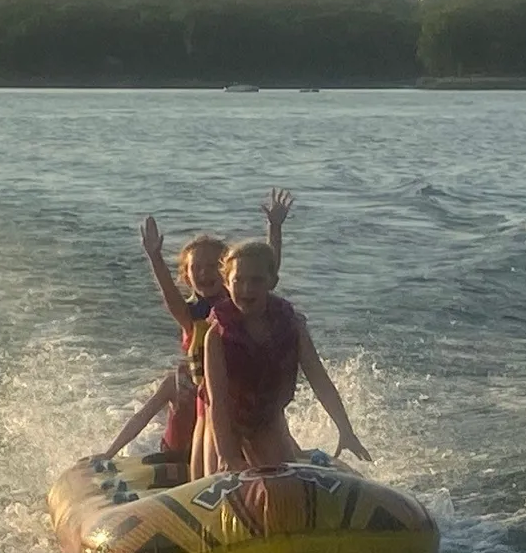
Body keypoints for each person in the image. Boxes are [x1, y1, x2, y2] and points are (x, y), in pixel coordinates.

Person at [138, 190, 293, 475]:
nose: (204, 273)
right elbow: (172, 298)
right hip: (208, 404)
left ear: (225, 271)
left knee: (272, 448)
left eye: (212, 266)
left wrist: (275, 229)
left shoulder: (239, 305)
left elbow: (267, 272)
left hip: (249, 397)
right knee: (201, 467)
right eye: (196, 267)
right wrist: (156, 258)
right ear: (186, 275)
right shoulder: (193, 316)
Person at [204, 238, 369, 472]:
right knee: (219, 480)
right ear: (227, 283)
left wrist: (345, 429)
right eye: (238, 280)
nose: (247, 289)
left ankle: (304, 460)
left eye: (256, 280)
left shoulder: (291, 326)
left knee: (284, 484)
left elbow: (318, 378)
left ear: (272, 281)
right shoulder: (217, 335)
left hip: (266, 417)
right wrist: (225, 455)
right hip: (223, 421)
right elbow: (217, 400)